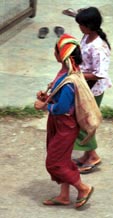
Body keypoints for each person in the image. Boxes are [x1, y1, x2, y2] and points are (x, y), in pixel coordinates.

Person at [34, 34, 95, 209]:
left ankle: (83, 188)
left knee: (53, 162)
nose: (54, 52)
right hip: (59, 124)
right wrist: (47, 97)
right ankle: (64, 196)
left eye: (56, 50)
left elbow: (62, 108)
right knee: (64, 160)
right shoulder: (65, 72)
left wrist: (44, 106)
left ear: (62, 55)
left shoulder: (69, 80)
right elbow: (60, 99)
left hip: (65, 126)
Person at [73, 7, 112, 174]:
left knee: (85, 123)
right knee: (84, 121)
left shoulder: (98, 47)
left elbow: (99, 74)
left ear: (89, 25)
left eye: (81, 24)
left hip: (92, 90)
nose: (79, 27)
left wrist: (77, 74)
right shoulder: (87, 36)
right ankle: (88, 155)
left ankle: (92, 156)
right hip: (84, 86)